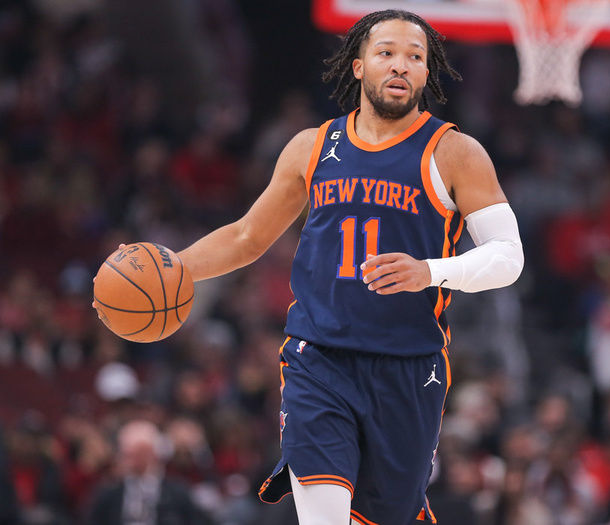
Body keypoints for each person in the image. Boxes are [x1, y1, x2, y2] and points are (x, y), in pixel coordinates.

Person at [175, 9, 524, 525]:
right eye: (386, 53)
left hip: (409, 367)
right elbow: (247, 237)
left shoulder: (454, 153)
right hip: (319, 358)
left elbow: (508, 257)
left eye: (415, 57)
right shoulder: (312, 147)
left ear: (427, 74)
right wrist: (172, 267)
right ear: (359, 65)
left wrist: (429, 271)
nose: (400, 66)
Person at [87, 420, 213, 525]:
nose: (127, 460)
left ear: (151, 453)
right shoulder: (109, 492)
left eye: (135, 453)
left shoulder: (177, 491)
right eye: (125, 453)